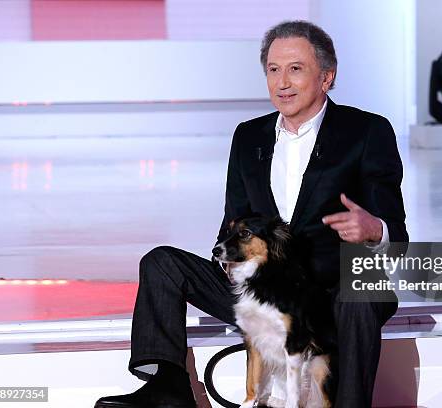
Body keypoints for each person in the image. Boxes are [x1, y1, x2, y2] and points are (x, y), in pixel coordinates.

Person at [95, 20, 407, 408]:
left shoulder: (366, 131)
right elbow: (232, 224)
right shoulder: (248, 136)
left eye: (295, 69)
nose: (282, 82)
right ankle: (167, 389)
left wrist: (374, 229)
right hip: (265, 293)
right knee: (162, 264)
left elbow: (397, 235)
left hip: (330, 292)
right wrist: (230, 260)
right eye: (273, 70)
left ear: (327, 77)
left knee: (360, 290)